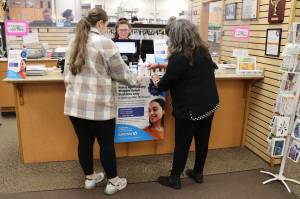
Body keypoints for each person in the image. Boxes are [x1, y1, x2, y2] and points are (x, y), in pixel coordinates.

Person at [64, 8, 141, 195]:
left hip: (75, 104)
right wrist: (136, 80)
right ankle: (113, 182)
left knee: (84, 142)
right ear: (100, 24)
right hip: (99, 106)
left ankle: (90, 178)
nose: (107, 28)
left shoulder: (74, 41)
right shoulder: (104, 43)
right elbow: (121, 74)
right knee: (106, 144)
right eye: (107, 25)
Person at [151, 19, 219, 189]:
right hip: (209, 105)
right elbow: (190, 68)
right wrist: (162, 64)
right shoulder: (203, 51)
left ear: (176, 37)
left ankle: (175, 178)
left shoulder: (179, 57)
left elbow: (164, 84)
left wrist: (155, 79)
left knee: (182, 143)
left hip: (190, 109)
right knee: (202, 141)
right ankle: (198, 172)